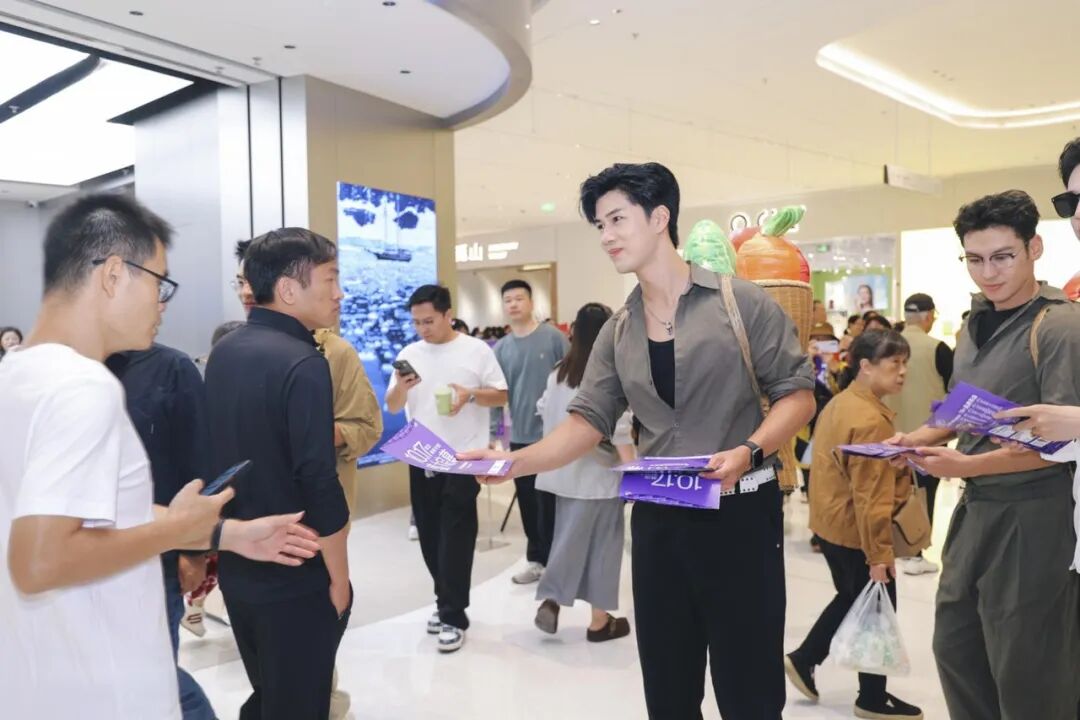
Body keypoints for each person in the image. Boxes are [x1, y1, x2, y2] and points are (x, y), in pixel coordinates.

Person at [461, 162, 815, 718]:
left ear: (659, 217)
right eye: (599, 225)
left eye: (617, 219)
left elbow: (797, 395)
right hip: (658, 520)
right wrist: (512, 462)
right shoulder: (618, 330)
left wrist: (748, 450)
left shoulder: (742, 303)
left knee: (749, 692)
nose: (606, 236)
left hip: (741, 516)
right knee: (669, 692)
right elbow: (587, 421)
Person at [0, 194, 319, 719]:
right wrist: (174, 531)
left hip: (44, 679)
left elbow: (87, 511)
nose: (162, 303)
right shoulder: (83, 387)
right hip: (107, 690)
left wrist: (224, 534)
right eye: (159, 282)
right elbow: (39, 561)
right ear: (113, 275)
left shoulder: (18, 375)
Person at [888, 190, 1080, 720]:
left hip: (1035, 514)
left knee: (1027, 667)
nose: (988, 273)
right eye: (974, 259)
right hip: (975, 510)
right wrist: (918, 438)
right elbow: (963, 407)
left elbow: (1062, 442)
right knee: (957, 648)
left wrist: (967, 465)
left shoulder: (1059, 325)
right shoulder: (973, 324)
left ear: (1034, 248)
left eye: (1002, 256)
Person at [206, 227, 354, 720]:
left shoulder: (226, 350)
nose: (339, 293)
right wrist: (339, 579)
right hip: (297, 568)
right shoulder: (303, 362)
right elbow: (318, 480)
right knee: (300, 704)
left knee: (268, 694)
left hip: (240, 565)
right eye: (330, 279)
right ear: (289, 289)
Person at [785, 329, 923, 719]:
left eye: (905, 363)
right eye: (894, 363)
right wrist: (879, 554)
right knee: (877, 608)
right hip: (855, 531)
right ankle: (871, 698)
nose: (902, 372)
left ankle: (805, 658)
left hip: (831, 522)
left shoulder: (843, 402)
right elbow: (871, 495)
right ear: (866, 366)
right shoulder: (869, 419)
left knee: (852, 597)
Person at [385, 284, 508, 653]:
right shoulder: (409, 354)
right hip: (421, 455)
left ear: (447, 315)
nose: (422, 328)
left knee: (456, 536)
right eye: (416, 322)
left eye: (429, 321)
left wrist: (470, 395)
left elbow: (501, 394)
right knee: (429, 536)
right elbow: (393, 406)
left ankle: (453, 615)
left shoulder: (476, 350)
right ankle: (445, 602)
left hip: (462, 458)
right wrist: (401, 387)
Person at [106, 342, 218, 719]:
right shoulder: (74, 368)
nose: (160, 311)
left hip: (157, 557)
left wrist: (194, 550)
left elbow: (199, 461)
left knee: (159, 678)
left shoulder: (172, 368)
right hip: (86, 558)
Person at [533, 302, 634, 642]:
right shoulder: (608, 375)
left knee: (568, 538)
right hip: (599, 477)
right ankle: (598, 622)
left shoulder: (559, 373)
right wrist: (633, 474)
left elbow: (543, 410)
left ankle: (553, 597)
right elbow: (620, 430)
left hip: (561, 474)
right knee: (604, 549)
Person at [493, 278, 569, 585]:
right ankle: (536, 560)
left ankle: (558, 562)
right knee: (528, 502)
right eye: (508, 300)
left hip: (554, 437)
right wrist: (494, 433)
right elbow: (496, 394)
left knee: (552, 502)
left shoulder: (553, 338)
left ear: (531, 302)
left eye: (518, 298)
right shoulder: (501, 348)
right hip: (520, 437)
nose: (513, 304)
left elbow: (572, 379)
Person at [886, 293, 953, 577]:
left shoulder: (885, 346)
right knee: (925, 494)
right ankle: (915, 551)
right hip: (928, 437)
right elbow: (954, 392)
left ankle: (889, 547)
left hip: (888, 435)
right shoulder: (938, 348)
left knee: (889, 493)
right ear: (928, 316)